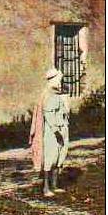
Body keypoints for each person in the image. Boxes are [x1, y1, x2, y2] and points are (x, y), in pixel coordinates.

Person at [30, 68, 70, 197]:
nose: (61, 82)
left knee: (59, 157)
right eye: (59, 80)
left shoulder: (58, 94)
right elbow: (49, 114)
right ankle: (46, 187)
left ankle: (55, 185)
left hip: (62, 128)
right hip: (52, 131)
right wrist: (56, 131)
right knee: (50, 158)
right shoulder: (49, 95)